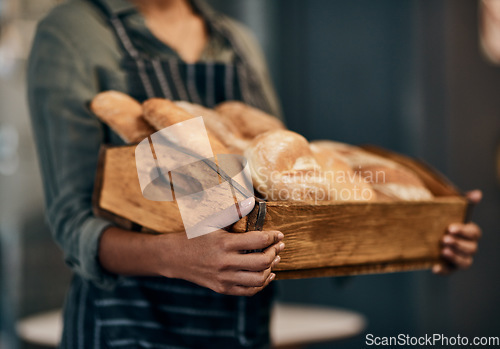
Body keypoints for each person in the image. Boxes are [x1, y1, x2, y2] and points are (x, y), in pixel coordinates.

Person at [27, 0, 482, 348]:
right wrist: (177, 256)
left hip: (244, 328)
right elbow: (73, 223)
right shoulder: (74, 33)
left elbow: (282, 203)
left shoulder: (235, 40)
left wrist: (413, 238)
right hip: (127, 325)